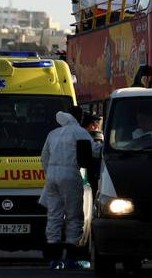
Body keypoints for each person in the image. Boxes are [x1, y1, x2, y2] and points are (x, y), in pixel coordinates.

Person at [40, 106, 94, 270]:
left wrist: (51, 173)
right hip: (70, 175)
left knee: (54, 215)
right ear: (80, 118)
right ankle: (71, 257)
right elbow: (94, 151)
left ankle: (53, 259)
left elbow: (44, 157)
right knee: (74, 216)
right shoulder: (80, 132)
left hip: (52, 177)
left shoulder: (53, 133)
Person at [81, 112, 103, 198]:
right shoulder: (89, 136)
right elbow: (96, 151)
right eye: (96, 125)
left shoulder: (77, 133)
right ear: (91, 126)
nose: (97, 128)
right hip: (90, 173)